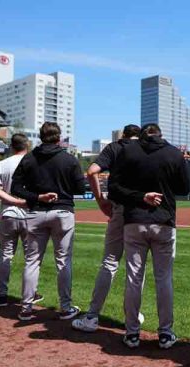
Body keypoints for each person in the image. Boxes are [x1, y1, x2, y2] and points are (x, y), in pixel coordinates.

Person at [108, 123, 189, 349]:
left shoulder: (128, 151)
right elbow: (184, 188)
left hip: (134, 221)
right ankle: (165, 333)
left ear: (142, 135)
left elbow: (114, 188)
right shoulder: (173, 153)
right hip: (164, 221)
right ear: (161, 135)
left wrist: (140, 196)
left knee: (134, 278)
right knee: (164, 279)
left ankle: (132, 333)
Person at [72, 124, 145, 332]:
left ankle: (92, 316)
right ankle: (133, 316)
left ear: (124, 135)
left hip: (119, 208)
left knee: (110, 262)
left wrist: (100, 201)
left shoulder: (115, 147)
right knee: (136, 267)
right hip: (141, 210)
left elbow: (92, 171)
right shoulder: (146, 148)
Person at [11, 122, 85, 321]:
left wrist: (38, 197)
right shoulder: (69, 159)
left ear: (41, 137)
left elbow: (15, 188)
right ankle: (66, 307)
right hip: (62, 212)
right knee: (63, 261)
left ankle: (26, 308)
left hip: (36, 213)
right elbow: (80, 188)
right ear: (59, 137)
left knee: (32, 261)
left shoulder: (29, 158)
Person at [0, 134, 39, 307]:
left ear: (12, 146)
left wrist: (12, 200)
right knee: (31, 258)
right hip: (29, 213)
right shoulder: (35, 162)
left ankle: (1, 294)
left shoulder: (1, 164)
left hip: (8, 213)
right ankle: (30, 293)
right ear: (27, 145)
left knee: (5, 255)